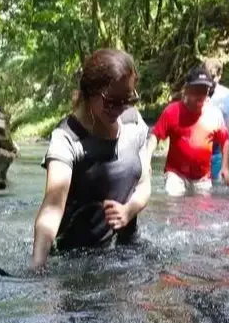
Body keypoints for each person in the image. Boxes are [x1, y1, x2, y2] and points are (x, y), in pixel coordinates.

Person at [31, 49, 151, 270]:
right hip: (77, 261)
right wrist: (37, 265)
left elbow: (144, 185)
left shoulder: (134, 123)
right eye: (111, 101)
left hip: (128, 251)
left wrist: (129, 210)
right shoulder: (67, 138)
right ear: (89, 92)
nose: (120, 108)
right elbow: (52, 207)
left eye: (128, 99)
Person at [146, 64, 229, 196]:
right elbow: (155, 137)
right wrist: (147, 161)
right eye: (197, 90)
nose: (201, 95)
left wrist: (225, 167)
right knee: (174, 204)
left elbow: (226, 141)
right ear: (186, 90)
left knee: (202, 213)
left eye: (204, 90)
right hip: (175, 175)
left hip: (203, 179)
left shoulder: (214, 114)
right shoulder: (172, 111)